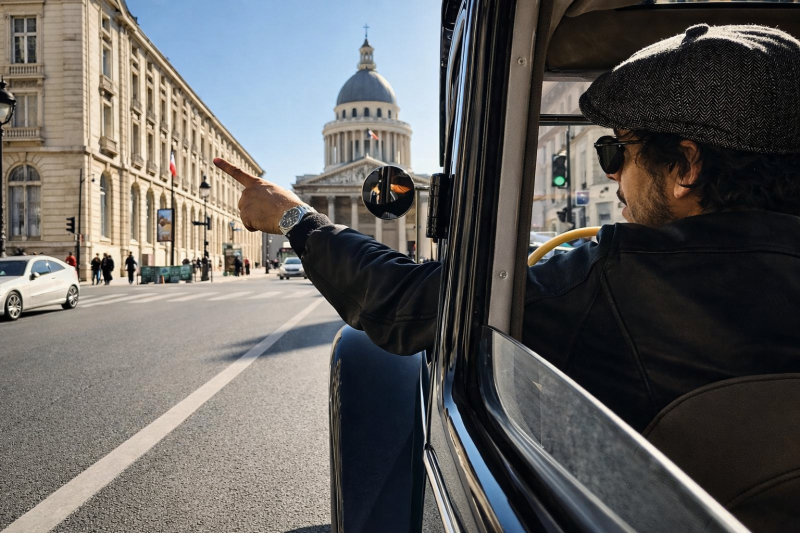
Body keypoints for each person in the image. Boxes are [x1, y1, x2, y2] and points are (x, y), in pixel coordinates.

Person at [216, 24, 800, 434]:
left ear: (686, 168)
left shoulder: (610, 281)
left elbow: (405, 308)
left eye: (617, 151)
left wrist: (292, 216)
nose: (615, 177)